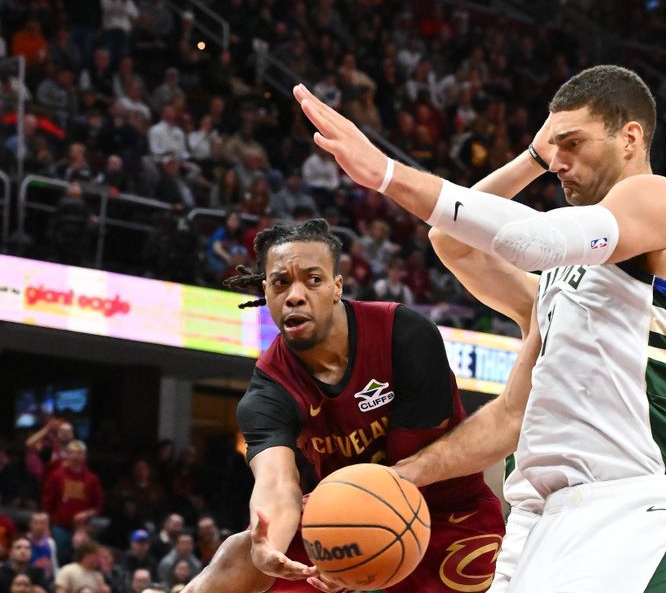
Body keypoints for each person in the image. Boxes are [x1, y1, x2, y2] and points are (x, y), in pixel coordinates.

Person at [293, 64, 666, 591]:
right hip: (539, 520)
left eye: (572, 144)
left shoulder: (660, 199)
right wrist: (397, 478)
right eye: (554, 148)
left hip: (634, 506)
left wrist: (385, 173)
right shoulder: (558, 285)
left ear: (630, 137)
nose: (560, 162)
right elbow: (509, 412)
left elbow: (529, 241)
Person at [392, 149, 666, 592]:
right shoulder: (554, 290)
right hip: (539, 516)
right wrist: (533, 159)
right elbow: (450, 241)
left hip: (622, 507)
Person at [184, 219, 505, 593]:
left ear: (338, 286)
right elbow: (277, 484)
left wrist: (357, 540)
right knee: (239, 557)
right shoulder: (268, 391)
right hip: (351, 511)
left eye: (313, 279)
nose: (295, 295)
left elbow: (413, 466)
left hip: (447, 511)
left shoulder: (402, 334)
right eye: (280, 283)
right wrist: (269, 543)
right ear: (266, 293)